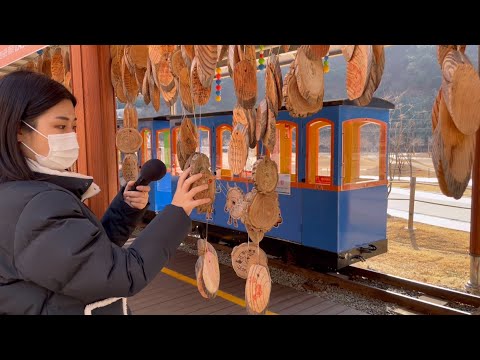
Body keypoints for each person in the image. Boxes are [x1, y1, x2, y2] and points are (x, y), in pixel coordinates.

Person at [0, 70, 210, 315]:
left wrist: (125, 210)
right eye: (60, 126)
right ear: (19, 130)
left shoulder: (17, 194)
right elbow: (122, 274)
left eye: (73, 126)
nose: (70, 136)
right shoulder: (36, 206)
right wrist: (177, 212)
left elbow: (84, 260)